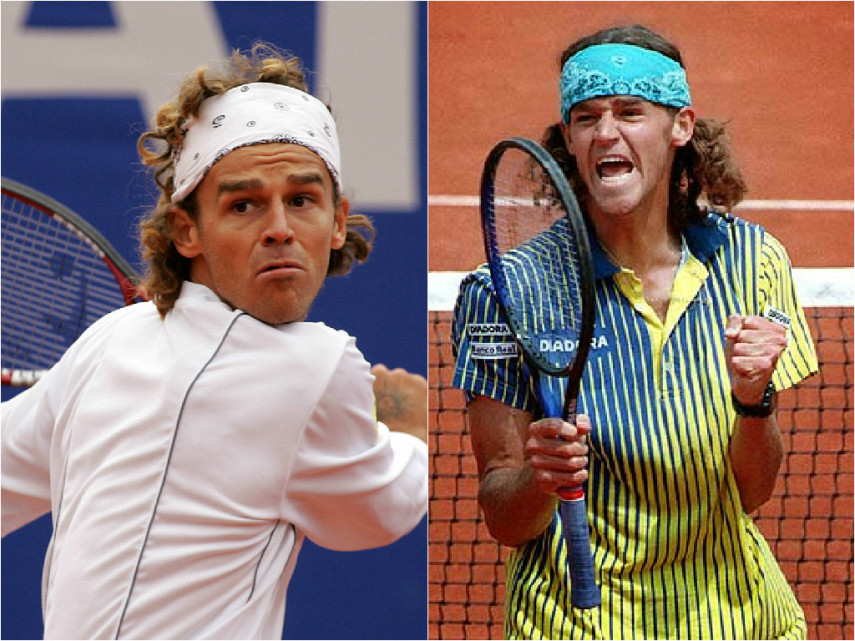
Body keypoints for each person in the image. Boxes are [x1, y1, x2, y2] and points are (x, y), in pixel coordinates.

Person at [1, 43, 427, 639]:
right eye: (244, 205)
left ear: (336, 221)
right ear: (187, 230)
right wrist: (412, 432)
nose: (279, 229)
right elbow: (379, 513)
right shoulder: (316, 365)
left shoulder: (109, 342)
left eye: (301, 199)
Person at [452, 24, 818, 640]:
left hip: (738, 619)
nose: (607, 132)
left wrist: (754, 400)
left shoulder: (753, 260)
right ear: (568, 138)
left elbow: (754, 492)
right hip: (577, 626)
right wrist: (541, 479)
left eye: (630, 112)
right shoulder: (505, 291)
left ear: (680, 127)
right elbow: (505, 518)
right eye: (587, 117)